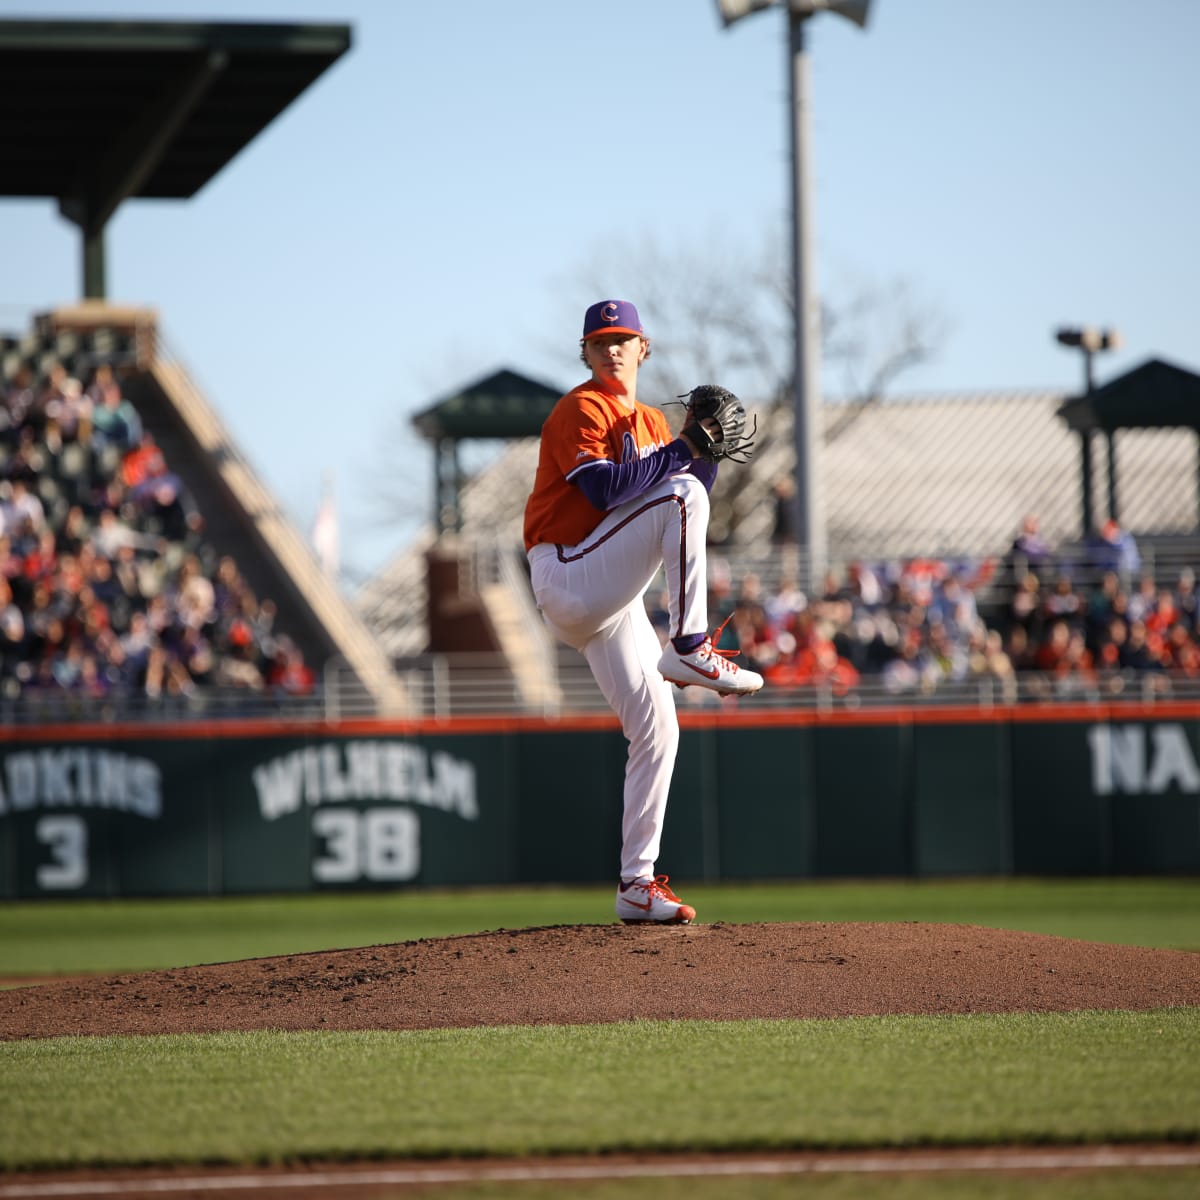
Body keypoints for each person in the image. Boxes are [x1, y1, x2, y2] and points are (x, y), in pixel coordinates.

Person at [523, 299, 763, 926]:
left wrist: (702, 453)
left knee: (658, 728)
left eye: (622, 339)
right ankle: (688, 647)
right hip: (568, 571)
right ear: (585, 351)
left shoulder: (655, 421)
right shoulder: (581, 407)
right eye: (600, 341)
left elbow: (688, 503)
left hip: (609, 595)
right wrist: (686, 454)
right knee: (679, 494)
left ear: (643, 347)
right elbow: (604, 491)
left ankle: (636, 884)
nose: (612, 349)